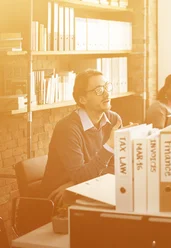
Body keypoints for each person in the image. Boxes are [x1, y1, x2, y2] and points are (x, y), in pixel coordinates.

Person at [41, 69, 122, 203]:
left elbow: (119, 167)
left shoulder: (113, 119)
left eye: (107, 87)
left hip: (89, 189)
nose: (107, 93)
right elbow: (81, 175)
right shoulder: (67, 128)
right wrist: (110, 146)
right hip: (60, 201)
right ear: (82, 99)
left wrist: (75, 183)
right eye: (99, 90)